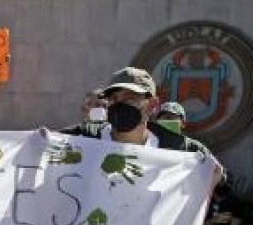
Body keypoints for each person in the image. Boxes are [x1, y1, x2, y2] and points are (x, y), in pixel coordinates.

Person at [61, 67, 214, 157]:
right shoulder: (82, 137)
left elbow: (219, 180)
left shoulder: (179, 149)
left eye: (130, 97)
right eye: (113, 98)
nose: (120, 104)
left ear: (152, 105)